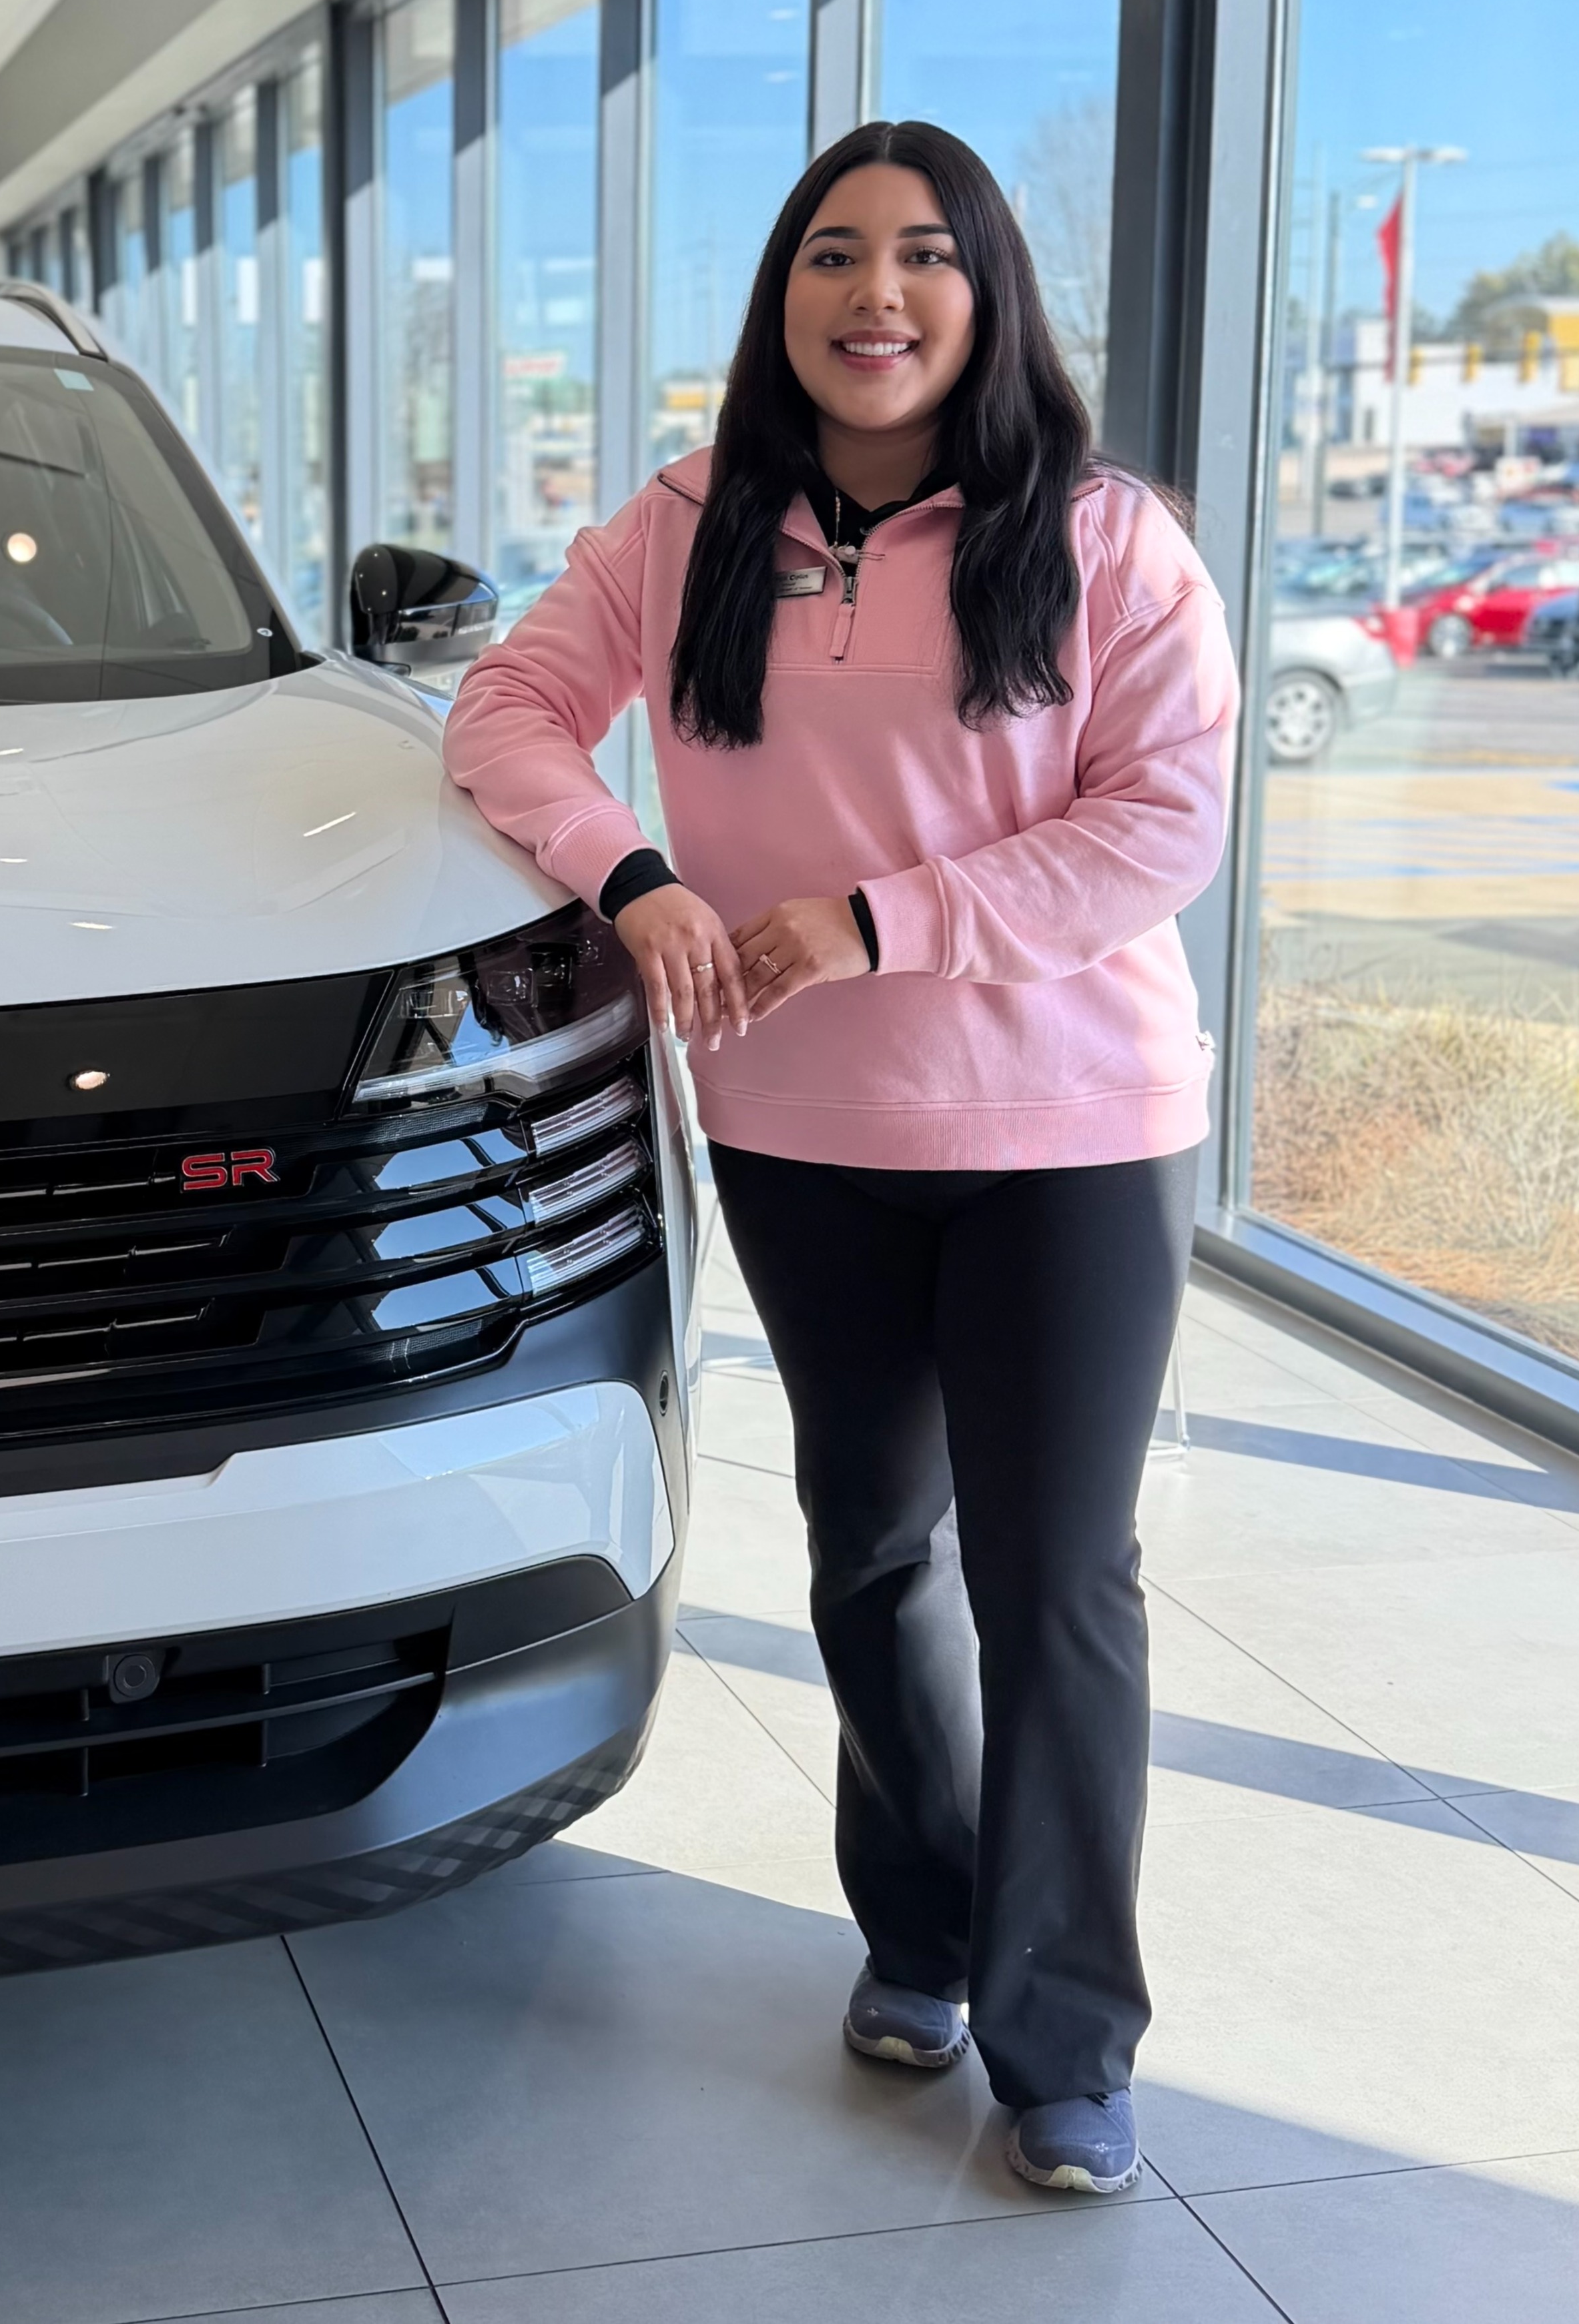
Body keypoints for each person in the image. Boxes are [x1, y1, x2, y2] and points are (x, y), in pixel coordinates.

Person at [442, 119, 1239, 2195]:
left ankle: (1065, 2034)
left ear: (983, 292)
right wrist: (631, 875)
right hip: (803, 1129)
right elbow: (508, 711)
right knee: (872, 1551)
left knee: (1053, 1575)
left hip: (1071, 1129)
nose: (870, 294)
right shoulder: (691, 520)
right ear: (780, 296)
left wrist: (876, 918)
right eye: (828, 254)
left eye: (917, 255)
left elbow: (1162, 825)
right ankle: (922, 1930)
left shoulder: (1104, 534)